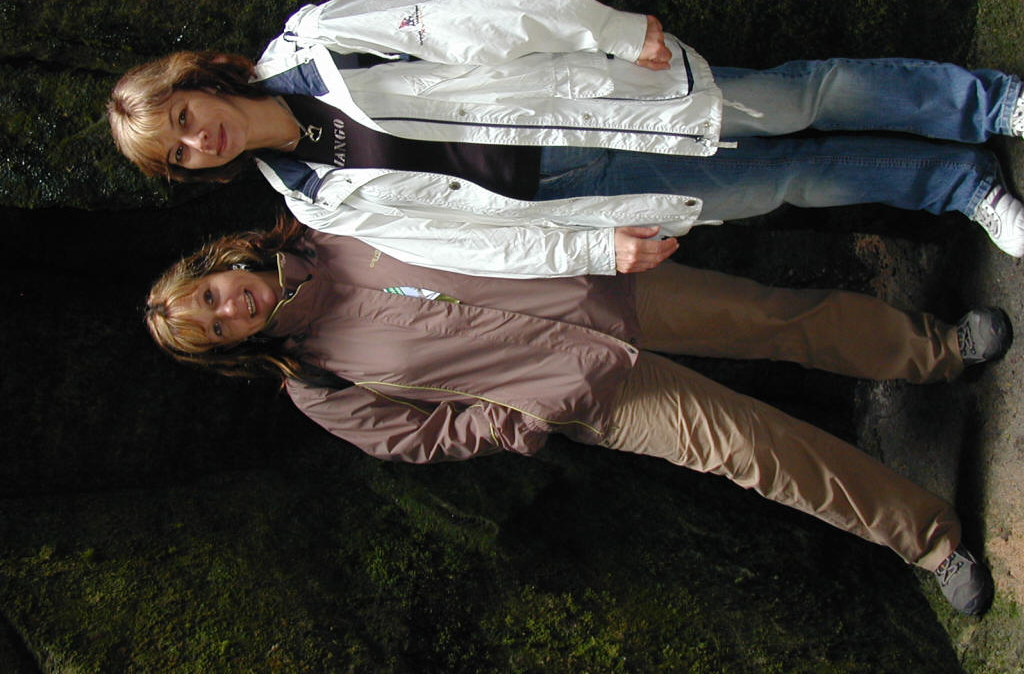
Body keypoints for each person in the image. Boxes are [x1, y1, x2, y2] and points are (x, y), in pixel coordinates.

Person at [144, 215, 1011, 615]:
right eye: (215, 328)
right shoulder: (316, 383)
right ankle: (932, 542)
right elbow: (416, 439)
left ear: (217, 265)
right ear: (228, 348)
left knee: (775, 318)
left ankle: (939, 350)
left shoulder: (329, 219)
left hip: (600, 289)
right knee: (757, 451)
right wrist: (516, 420)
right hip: (589, 395)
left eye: (211, 295)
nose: (231, 309)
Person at [110, 0, 1024, 278]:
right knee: (783, 183)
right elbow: (459, 243)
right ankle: (964, 186)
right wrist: (589, 248)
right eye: (178, 154)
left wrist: (612, 32)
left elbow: (466, 23)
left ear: (194, 84)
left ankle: (989, 107)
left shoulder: (319, 41)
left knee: (796, 101)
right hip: (568, 190)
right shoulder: (315, 203)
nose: (199, 141)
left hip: (579, 96)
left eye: (183, 119)